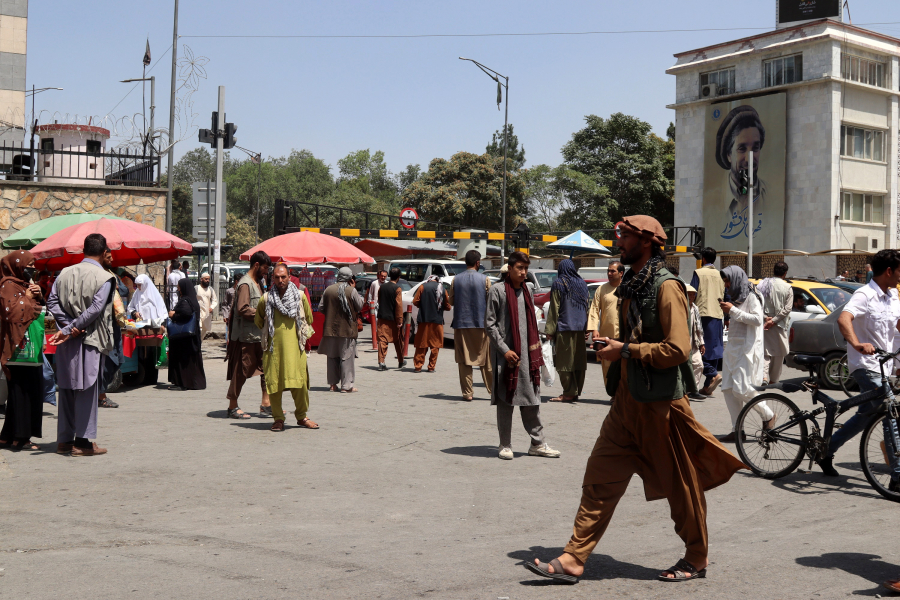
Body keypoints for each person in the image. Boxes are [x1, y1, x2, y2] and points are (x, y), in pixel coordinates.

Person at [525, 216, 744, 585]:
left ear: (646, 242)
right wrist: (616, 350)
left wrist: (625, 349)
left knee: (680, 485)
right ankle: (574, 558)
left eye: (625, 236)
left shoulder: (666, 286)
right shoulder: (632, 282)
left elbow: (678, 348)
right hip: (626, 401)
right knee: (599, 477)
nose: (619, 243)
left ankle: (697, 556)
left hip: (661, 405)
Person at [817, 249, 900, 482]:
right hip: (865, 364)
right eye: (899, 272)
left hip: (885, 366)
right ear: (889, 271)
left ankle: (825, 450)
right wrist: (857, 343)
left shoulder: (893, 296)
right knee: (888, 409)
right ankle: (897, 474)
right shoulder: (865, 294)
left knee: (865, 416)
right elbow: (845, 319)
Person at [46, 233, 116, 457]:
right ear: (104, 252)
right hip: (90, 339)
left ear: (83, 249)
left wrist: (67, 326)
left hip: (68, 342)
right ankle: (82, 443)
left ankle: (64, 441)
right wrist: (73, 328)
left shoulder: (64, 273)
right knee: (87, 388)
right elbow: (96, 308)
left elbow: (52, 302)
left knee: (66, 389)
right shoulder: (104, 277)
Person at [485, 251, 559, 461]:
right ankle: (505, 444)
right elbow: (490, 325)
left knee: (531, 400)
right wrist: (505, 350)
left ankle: (537, 443)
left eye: (526, 268)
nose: (524, 272)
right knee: (505, 400)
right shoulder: (497, 291)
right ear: (510, 268)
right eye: (520, 268)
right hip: (505, 355)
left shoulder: (528, 288)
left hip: (528, 355)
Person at [254, 263, 318, 432]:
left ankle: (302, 416)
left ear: (289, 277)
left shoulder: (300, 296)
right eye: (277, 277)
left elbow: (309, 318)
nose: (280, 280)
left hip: (295, 349)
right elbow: (259, 321)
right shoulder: (266, 299)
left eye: (283, 277)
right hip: (273, 350)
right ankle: (278, 419)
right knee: (274, 386)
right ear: (272, 278)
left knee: (300, 384)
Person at [719, 265, 774, 442]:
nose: (726, 285)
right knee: (728, 388)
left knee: (742, 389)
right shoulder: (736, 296)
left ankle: (768, 415)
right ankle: (737, 430)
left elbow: (757, 320)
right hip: (732, 348)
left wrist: (732, 311)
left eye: (728, 281)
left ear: (735, 279)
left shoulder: (751, 295)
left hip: (746, 349)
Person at [0, 251, 45, 451]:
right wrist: (27, 298)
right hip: (16, 349)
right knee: (24, 392)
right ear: (17, 265)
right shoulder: (8, 286)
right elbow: (12, 314)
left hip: (27, 347)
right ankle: (21, 438)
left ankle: (7, 436)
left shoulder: (23, 285)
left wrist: (39, 295)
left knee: (24, 391)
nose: (32, 269)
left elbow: (37, 310)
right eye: (29, 265)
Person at [225, 251, 272, 419]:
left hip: (258, 336)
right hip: (245, 337)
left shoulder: (258, 282)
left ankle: (266, 404)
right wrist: (263, 312)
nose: (267, 272)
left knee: (266, 369)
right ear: (257, 265)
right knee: (241, 371)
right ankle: (232, 406)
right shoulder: (245, 284)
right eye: (265, 268)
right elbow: (243, 308)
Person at [716, 105, 767, 240]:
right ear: (728, 155)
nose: (749, 158)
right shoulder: (715, 201)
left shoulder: (769, 194)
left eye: (755, 148)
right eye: (742, 149)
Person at [448, 250, 493, 401]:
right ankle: (493, 391)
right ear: (478, 263)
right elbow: (491, 302)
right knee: (485, 359)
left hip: (461, 324)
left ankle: (468, 393)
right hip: (481, 325)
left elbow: (451, 301)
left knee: (463, 360)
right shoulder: (485, 279)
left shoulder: (456, 279)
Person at [545, 259, 589, 402]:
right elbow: (586, 307)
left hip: (564, 328)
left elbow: (554, 308)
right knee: (578, 361)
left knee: (564, 362)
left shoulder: (559, 283)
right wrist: (587, 326)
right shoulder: (582, 284)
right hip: (580, 329)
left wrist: (550, 330)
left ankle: (568, 392)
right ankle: (576, 391)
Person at [318, 267, 363, 393]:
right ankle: (346, 386)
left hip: (330, 329)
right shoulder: (351, 290)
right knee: (346, 358)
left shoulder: (328, 290)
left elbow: (321, 308)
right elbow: (359, 305)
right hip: (347, 330)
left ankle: (333, 385)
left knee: (332, 357)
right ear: (349, 278)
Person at [690, 247, 726, 396]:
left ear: (703, 259)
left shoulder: (698, 272)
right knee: (714, 350)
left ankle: (712, 374)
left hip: (702, 315)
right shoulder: (720, 275)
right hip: (718, 315)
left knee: (697, 350)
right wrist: (727, 317)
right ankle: (707, 387)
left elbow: (692, 293)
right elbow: (726, 295)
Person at [167, 278, 207, 390]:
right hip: (191, 336)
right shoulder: (192, 300)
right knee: (191, 360)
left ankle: (184, 384)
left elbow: (186, 313)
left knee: (184, 360)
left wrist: (173, 315)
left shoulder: (185, 301)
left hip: (184, 338)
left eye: (179, 286)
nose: (178, 289)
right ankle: (192, 383)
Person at [758, 261, 793, 385]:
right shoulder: (787, 287)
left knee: (764, 352)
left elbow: (756, 304)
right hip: (779, 325)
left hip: (763, 324)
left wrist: (765, 318)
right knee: (779, 354)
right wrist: (773, 321)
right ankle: (773, 380)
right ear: (785, 273)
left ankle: (763, 377)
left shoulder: (762, 284)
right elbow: (787, 309)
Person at [588, 262, 624, 374]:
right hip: (606, 335)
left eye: (613, 271)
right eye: (608, 271)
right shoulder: (601, 289)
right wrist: (594, 329)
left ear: (621, 273)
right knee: (607, 367)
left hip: (623, 335)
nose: (609, 273)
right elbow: (594, 309)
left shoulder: (627, 288)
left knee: (623, 369)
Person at [412, 275, 451, 373]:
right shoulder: (442, 289)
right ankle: (431, 367)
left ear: (429, 279)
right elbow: (447, 305)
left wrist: (423, 305)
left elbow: (415, 301)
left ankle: (418, 366)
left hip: (424, 320)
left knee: (422, 343)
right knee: (435, 345)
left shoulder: (423, 287)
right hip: (437, 321)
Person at [376, 267, 406, 371]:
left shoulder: (382, 287)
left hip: (382, 317)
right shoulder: (397, 289)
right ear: (398, 277)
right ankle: (401, 361)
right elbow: (399, 306)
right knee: (398, 340)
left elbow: (379, 300)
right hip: (393, 319)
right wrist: (400, 320)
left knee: (382, 340)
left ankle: (381, 361)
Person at [685, 284, 707, 401]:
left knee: (699, 364)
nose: (692, 296)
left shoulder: (695, 308)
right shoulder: (680, 307)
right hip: (683, 342)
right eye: (689, 294)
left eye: (693, 294)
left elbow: (699, 327)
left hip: (694, 342)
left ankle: (693, 390)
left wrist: (702, 343)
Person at [196, 272, 218, 340]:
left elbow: (215, 300)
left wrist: (212, 307)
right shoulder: (196, 288)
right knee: (198, 329)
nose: (207, 280)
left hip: (207, 314)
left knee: (204, 331)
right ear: (201, 279)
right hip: (198, 312)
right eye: (206, 279)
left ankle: (199, 345)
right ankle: (197, 346)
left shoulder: (210, 289)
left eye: (208, 279)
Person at [221, 273, 241, 341]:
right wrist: (225, 315)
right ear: (236, 281)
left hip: (239, 315)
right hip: (230, 315)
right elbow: (225, 304)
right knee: (229, 332)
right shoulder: (229, 291)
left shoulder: (243, 291)